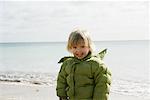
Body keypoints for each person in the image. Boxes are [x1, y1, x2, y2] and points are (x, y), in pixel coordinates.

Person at [56, 28, 112, 100]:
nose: (78, 50)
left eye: (82, 46)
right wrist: (62, 95)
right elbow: (61, 80)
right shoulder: (67, 63)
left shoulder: (97, 65)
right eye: (75, 47)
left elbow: (102, 85)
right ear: (70, 48)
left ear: (89, 46)